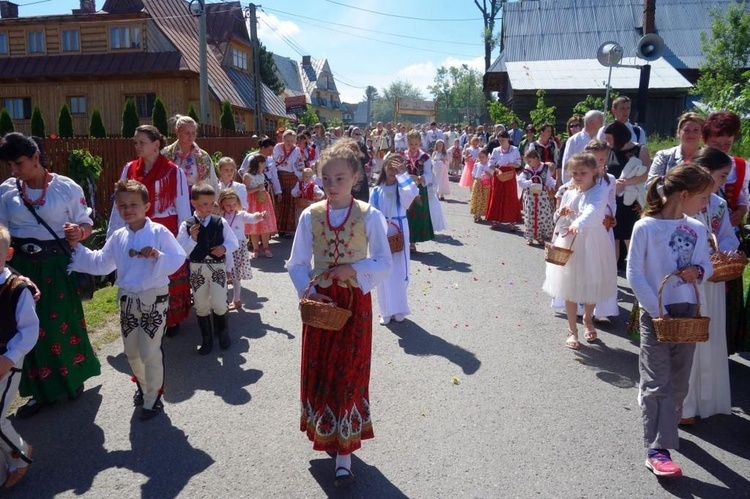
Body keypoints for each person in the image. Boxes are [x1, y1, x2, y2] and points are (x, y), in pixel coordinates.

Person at [286, 145, 392, 487]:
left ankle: (344, 453)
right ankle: (327, 433)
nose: (332, 185)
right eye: (326, 178)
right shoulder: (310, 215)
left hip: (353, 304)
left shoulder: (369, 215)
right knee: (321, 367)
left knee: (348, 371)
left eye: (340, 178)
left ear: (356, 179)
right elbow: (297, 263)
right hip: (321, 302)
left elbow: (384, 263)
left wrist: (354, 269)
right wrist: (310, 291)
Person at [0, 133, 100, 419]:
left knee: (61, 325)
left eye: (19, 163)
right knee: (25, 329)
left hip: (56, 266)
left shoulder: (66, 187)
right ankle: (39, 393)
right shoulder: (6, 191)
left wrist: (79, 232)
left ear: (35, 157)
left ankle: (73, 380)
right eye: (10, 165)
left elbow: (86, 222)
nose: (14, 170)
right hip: (21, 267)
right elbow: (2, 233)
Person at [69, 180, 186, 420]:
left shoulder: (159, 232)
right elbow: (101, 262)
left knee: (149, 351)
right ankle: (143, 387)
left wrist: (157, 255)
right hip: (127, 301)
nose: (128, 209)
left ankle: (153, 398)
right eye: (122, 205)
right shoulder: (117, 237)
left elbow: (178, 258)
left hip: (154, 298)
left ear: (147, 206)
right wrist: (76, 247)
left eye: (134, 204)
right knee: (132, 352)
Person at [627, 164, 714, 479]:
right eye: (703, 197)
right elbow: (634, 272)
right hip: (657, 314)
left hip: (688, 312)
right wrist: (655, 309)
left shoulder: (698, 227)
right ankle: (657, 449)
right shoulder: (646, 227)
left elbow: (707, 264)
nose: (706, 204)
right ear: (685, 194)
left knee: (679, 382)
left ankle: (668, 423)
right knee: (657, 381)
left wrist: (699, 272)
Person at [110, 125, 192, 337]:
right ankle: (140, 315)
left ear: (156, 145)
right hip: (136, 230)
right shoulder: (130, 170)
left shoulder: (174, 171)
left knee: (166, 272)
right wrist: (113, 239)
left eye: (142, 142)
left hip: (165, 230)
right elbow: (118, 205)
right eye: (135, 142)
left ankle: (169, 319)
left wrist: (182, 241)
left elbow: (183, 208)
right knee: (138, 270)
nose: (137, 146)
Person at [679, 147, 734, 425]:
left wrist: (726, 252)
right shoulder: (681, 198)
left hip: (710, 279)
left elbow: (727, 236)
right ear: (705, 171)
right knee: (687, 341)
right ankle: (682, 402)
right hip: (686, 279)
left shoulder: (719, 204)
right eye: (722, 176)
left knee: (706, 338)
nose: (724, 182)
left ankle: (704, 400)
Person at [543, 153, 617, 348]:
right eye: (574, 172)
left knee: (591, 282)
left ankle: (588, 319)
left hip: (592, 241)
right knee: (569, 286)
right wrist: (561, 213)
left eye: (582, 172)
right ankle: (572, 330)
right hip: (569, 241)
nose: (577, 176)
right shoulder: (568, 192)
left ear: (594, 172)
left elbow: (592, 210)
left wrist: (577, 222)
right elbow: (556, 219)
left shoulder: (599, 191)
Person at [702, 111, 748, 354]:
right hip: (699, 240)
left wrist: (739, 212)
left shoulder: (740, 166)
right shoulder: (694, 167)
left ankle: (720, 349)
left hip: (725, 243)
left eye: (727, 144)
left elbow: (742, 200)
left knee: (723, 293)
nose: (722, 149)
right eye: (716, 144)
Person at [177, 184, 239, 355]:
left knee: (219, 303)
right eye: (204, 204)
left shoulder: (220, 222)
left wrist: (224, 249)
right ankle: (207, 338)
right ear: (193, 203)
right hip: (197, 269)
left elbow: (233, 242)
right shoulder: (187, 225)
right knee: (201, 304)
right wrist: (192, 239)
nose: (209, 208)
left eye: (212, 204)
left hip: (217, 268)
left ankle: (223, 332)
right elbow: (181, 250)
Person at [0, 224, 38, 487]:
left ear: (8, 253)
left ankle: (20, 454)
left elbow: (28, 330)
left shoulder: (16, 289)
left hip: (7, 362)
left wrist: (10, 357)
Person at [370, 154, 419, 325]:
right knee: (383, 271)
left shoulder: (402, 188)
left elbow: (413, 193)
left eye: (395, 166)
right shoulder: (376, 191)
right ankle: (386, 311)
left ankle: (399, 308)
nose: (391, 169)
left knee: (399, 270)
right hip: (382, 232)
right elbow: (370, 215)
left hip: (400, 229)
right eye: (389, 166)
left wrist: (403, 174)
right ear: (383, 168)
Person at [604, 120, 650, 266]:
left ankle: (637, 273)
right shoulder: (608, 150)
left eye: (610, 138)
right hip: (613, 199)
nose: (607, 141)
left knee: (631, 237)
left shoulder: (640, 150)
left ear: (619, 136)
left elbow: (647, 174)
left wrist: (625, 183)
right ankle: (612, 274)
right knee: (614, 237)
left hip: (632, 201)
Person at [218, 189, 266, 311]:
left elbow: (251, 217)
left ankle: (236, 299)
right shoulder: (219, 215)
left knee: (235, 276)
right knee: (222, 275)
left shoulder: (240, 215)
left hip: (237, 248)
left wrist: (259, 216)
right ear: (222, 204)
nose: (232, 207)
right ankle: (221, 300)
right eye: (228, 205)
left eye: (234, 204)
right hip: (223, 248)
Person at [162, 115, 219, 194]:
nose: (191, 136)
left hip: (196, 200)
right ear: (177, 131)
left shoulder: (203, 156)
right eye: (187, 133)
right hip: (171, 198)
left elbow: (212, 184)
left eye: (193, 133)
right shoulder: (165, 154)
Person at [647, 112, 704, 183]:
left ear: (702, 134)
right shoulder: (664, 156)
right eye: (686, 130)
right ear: (678, 133)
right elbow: (651, 183)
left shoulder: (709, 157)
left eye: (696, 130)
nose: (691, 134)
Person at [404, 129, 436, 250]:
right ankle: (402, 239)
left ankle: (412, 241)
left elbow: (429, 175)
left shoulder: (425, 157)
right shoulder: (403, 155)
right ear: (407, 142)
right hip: (404, 190)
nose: (413, 146)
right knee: (404, 214)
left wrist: (421, 178)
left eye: (416, 144)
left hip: (419, 190)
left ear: (420, 143)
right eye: (411, 144)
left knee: (415, 216)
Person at [242, 155, 278, 259]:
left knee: (264, 225)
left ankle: (266, 248)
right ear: (258, 163)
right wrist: (257, 188)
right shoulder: (247, 176)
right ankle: (256, 249)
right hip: (253, 201)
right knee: (254, 226)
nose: (264, 164)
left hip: (263, 200)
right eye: (263, 162)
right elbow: (246, 191)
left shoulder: (261, 174)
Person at [518, 149, 556, 245]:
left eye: (530, 161)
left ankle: (539, 236)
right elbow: (520, 181)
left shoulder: (545, 168)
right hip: (530, 196)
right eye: (527, 161)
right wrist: (530, 182)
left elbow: (548, 181)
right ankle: (529, 237)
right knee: (530, 215)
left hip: (541, 196)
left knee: (542, 215)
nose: (529, 163)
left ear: (536, 159)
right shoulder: (527, 170)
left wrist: (555, 185)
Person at [485, 131, 522, 230]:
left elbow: (518, 164)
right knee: (497, 195)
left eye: (503, 140)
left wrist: (510, 164)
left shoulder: (514, 150)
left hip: (510, 175)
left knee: (510, 196)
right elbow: (491, 164)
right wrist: (497, 170)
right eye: (500, 140)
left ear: (508, 139)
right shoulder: (496, 150)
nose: (501, 142)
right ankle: (495, 219)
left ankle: (511, 221)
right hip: (499, 175)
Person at [273, 130, 305, 236]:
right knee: (280, 202)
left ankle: (288, 229)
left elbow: (299, 164)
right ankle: (278, 228)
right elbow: (275, 159)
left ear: (295, 141)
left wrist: (300, 177)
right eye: (287, 140)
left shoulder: (296, 150)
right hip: (280, 177)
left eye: (291, 140)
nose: (289, 143)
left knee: (290, 202)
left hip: (291, 178)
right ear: (283, 139)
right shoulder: (278, 147)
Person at [560, 112, 605, 184]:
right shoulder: (574, 140)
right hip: (578, 184)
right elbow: (567, 164)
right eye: (601, 122)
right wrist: (568, 185)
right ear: (592, 123)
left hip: (598, 184)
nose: (603, 125)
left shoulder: (602, 139)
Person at [469, 148, 493, 223]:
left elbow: (491, 176)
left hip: (486, 183)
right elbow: (473, 175)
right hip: (478, 182)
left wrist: (487, 173)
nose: (481, 158)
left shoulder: (489, 165)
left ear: (487, 157)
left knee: (484, 199)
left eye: (483, 157)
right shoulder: (476, 165)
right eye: (480, 157)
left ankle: (480, 213)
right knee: (477, 198)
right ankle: (476, 214)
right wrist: (471, 184)